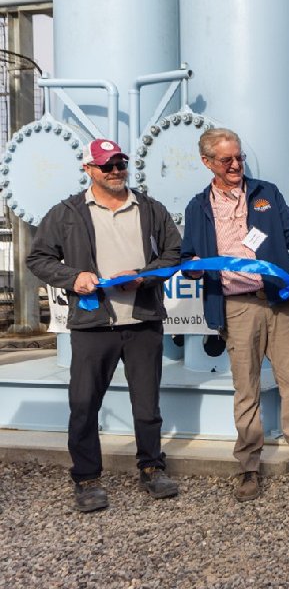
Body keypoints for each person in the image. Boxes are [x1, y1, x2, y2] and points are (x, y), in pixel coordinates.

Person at [182, 127, 289, 502]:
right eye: (227, 160)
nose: (237, 164)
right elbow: (187, 255)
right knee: (247, 388)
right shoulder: (198, 207)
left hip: (279, 301)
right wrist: (192, 266)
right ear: (208, 163)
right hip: (237, 307)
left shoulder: (265, 193)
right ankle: (248, 466)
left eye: (239, 157)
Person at [27, 138, 182, 512]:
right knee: (83, 404)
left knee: (146, 405)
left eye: (120, 164)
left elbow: (173, 254)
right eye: (106, 166)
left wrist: (144, 277)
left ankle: (151, 468)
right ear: (89, 170)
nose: (115, 171)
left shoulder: (149, 209)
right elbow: (39, 257)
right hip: (92, 325)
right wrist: (72, 277)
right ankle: (86, 478)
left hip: (142, 321)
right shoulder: (66, 213)